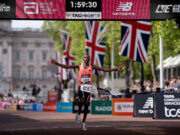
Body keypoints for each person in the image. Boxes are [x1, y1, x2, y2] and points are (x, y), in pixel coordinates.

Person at [50, 54, 122, 131]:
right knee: (82, 100)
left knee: (86, 105)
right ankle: (78, 113)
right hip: (81, 87)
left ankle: (84, 122)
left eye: (87, 57)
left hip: (89, 88)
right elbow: (66, 66)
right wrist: (56, 63)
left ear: (89, 59)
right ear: (82, 58)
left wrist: (115, 69)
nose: (86, 58)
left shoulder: (92, 66)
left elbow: (103, 70)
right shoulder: (78, 66)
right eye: (84, 57)